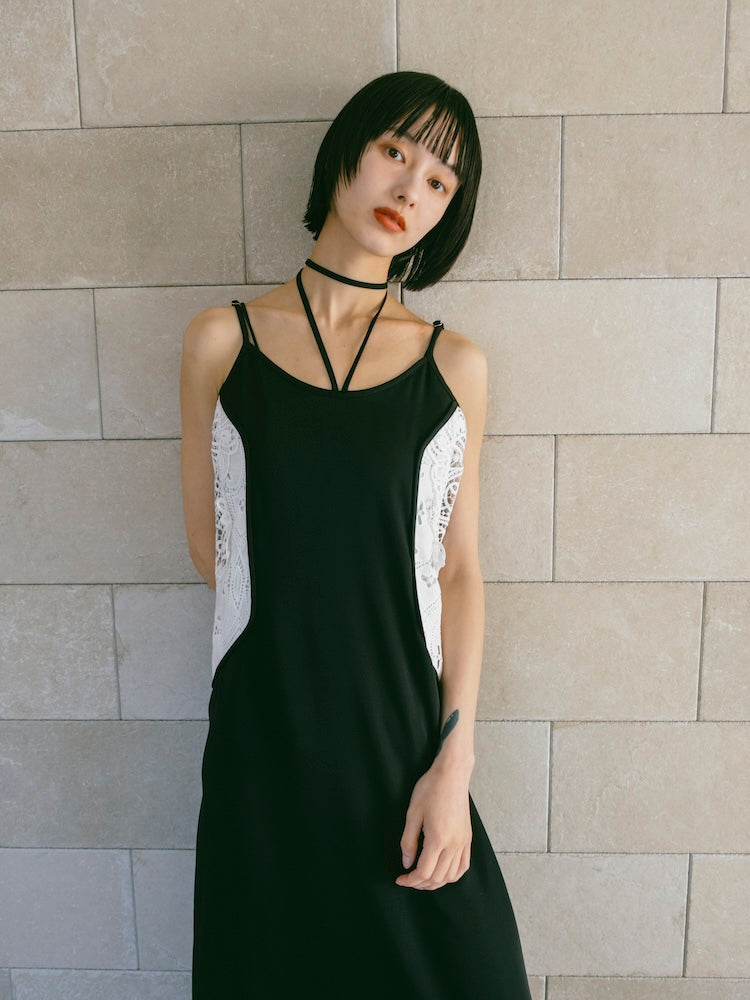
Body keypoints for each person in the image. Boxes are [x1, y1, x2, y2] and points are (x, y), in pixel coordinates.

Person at [180, 70, 533, 999]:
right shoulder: (222, 341)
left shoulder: (453, 365)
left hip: (402, 745)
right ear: (347, 150)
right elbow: (213, 549)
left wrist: (452, 761)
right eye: (394, 151)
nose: (410, 188)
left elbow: (459, 573)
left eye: (439, 181)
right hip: (265, 749)